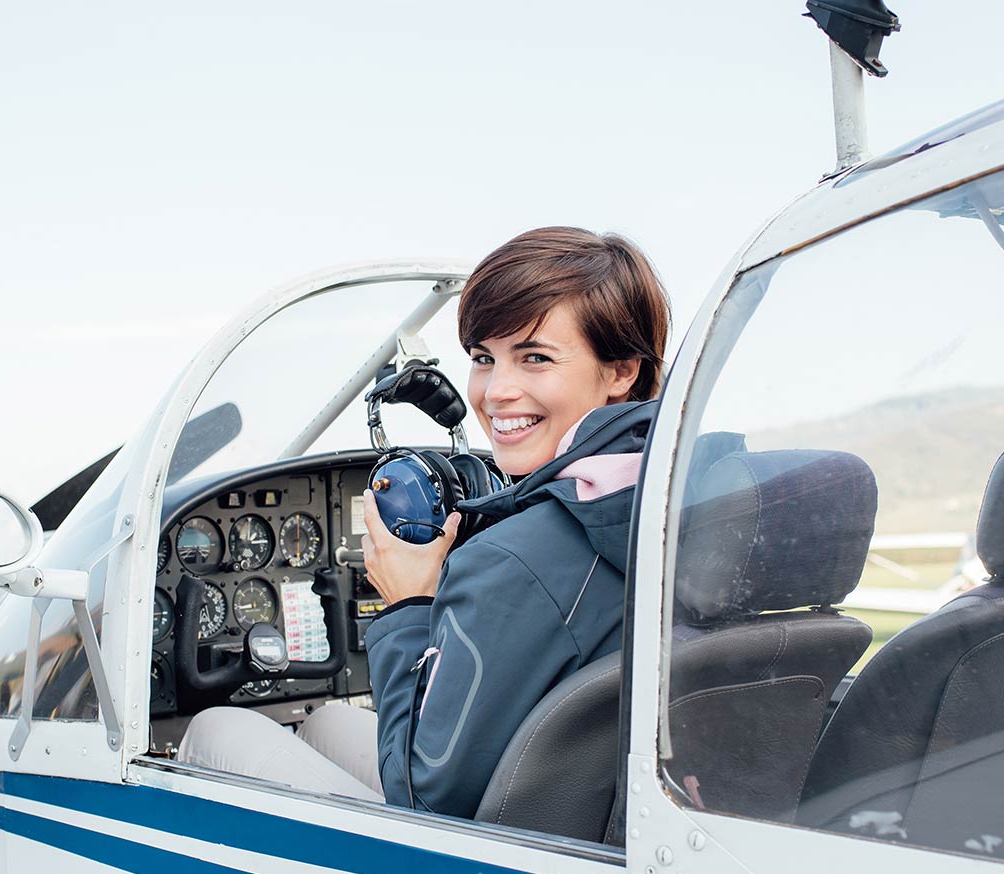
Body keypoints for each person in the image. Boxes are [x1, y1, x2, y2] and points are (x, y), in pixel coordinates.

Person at [178, 227, 669, 818]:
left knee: (215, 730)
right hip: (601, 811)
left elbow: (424, 802)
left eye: (535, 358)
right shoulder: (672, 503)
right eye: (485, 359)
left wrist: (410, 602)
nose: (496, 392)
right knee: (329, 720)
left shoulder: (516, 562)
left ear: (621, 372)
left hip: (503, 856)